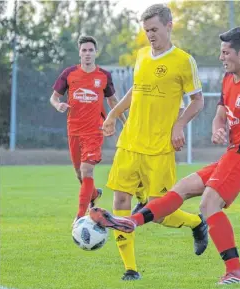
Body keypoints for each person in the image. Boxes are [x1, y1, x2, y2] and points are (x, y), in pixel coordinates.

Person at [90, 26, 240, 285]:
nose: (221, 58)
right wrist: (218, 128)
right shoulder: (229, 79)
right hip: (233, 154)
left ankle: (236, 271)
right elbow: (220, 112)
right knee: (183, 187)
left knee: (208, 204)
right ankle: (129, 221)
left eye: (226, 53)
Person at [99, 4, 208, 281]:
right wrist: (112, 114)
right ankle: (130, 269)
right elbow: (136, 91)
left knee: (158, 213)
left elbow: (198, 100)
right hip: (130, 143)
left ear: (169, 25)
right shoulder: (141, 55)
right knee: (120, 199)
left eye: (155, 30)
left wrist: (179, 125)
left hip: (159, 148)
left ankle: (197, 222)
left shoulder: (184, 61)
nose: (150, 35)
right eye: (146, 31)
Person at [50, 35, 125, 225]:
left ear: (95, 52)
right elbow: (54, 97)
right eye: (84, 50)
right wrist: (57, 105)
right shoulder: (69, 74)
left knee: (87, 171)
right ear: (79, 52)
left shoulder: (103, 76)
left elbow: (113, 101)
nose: (87, 53)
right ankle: (94, 194)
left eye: (91, 50)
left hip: (94, 131)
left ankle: (80, 216)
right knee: (79, 174)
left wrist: (125, 122)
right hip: (74, 131)